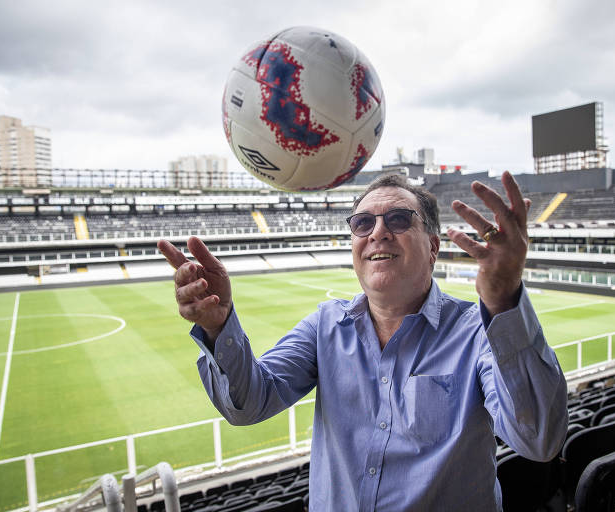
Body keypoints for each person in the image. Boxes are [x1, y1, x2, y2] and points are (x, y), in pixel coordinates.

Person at [158, 171, 568, 511]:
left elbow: (539, 440)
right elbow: (248, 404)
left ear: (434, 248)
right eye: (362, 223)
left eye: (399, 220)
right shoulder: (325, 326)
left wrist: (504, 301)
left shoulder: (477, 332)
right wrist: (218, 325)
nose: (378, 233)